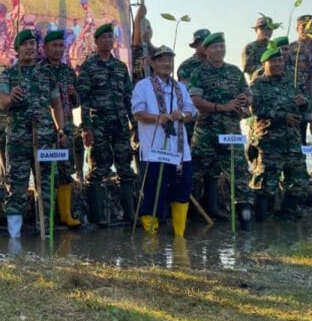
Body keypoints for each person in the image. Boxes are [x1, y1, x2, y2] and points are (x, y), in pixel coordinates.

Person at [0, 29, 66, 239]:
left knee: (46, 188)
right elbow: (0, 100)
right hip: (18, 140)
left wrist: (60, 129)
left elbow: (57, 104)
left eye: (32, 44)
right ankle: (15, 239)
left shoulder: (46, 74)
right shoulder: (9, 74)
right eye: (25, 44)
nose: (29, 48)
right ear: (17, 49)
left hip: (45, 139)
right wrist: (10, 98)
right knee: (16, 188)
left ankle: (46, 235)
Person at [188, 32, 254, 230]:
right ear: (206, 51)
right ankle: (188, 220)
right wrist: (221, 107)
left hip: (231, 132)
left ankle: (245, 224)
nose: (219, 50)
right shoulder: (198, 73)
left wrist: (246, 100)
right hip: (206, 133)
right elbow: (195, 101)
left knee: (240, 177)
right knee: (193, 174)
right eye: (214, 47)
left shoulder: (235, 72)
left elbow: (249, 94)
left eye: (221, 46)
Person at [131, 46, 197, 236]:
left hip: (180, 151)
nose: (166, 64)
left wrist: (181, 114)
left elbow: (192, 111)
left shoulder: (180, 87)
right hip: (155, 150)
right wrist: (159, 117)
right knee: (153, 192)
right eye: (161, 60)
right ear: (153, 63)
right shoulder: (143, 86)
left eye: (169, 60)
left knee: (182, 189)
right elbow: (138, 113)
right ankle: (151, 237)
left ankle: (179, 235)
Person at [77, 23, 135, 225]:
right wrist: (86, 128)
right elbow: (83, 100)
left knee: (125, 168)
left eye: (111, 37)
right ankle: (98, 216)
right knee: (98, 170)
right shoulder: (88, 67)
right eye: (104, 38)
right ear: (97, 41)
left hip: (120, 124)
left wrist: (133, 123)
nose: (108, 41)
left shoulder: (120, 67)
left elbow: (128, 97)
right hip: (98, 124)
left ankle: (130, 213)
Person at [249, 46, 309, 221]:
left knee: (298, 182)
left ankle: (287, 216)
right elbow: (256, 109)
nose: (278, 64)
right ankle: (260, 219)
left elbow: (306, 106)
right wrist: (282, 116)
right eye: (273, 61)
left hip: (293, 140)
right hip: (270, 142)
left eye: (280, 60)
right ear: (264, 63)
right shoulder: (258, 85)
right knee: (266, 183)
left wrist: (304, 103)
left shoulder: (292, 82)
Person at [41, 30, 81, 226]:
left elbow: (76, 103)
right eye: (54, 45)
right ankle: (48, 218)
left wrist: (74, 94)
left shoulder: (68, 71)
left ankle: (66, 215)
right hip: (45, 129)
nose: (58, 49)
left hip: (66, 127)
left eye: (60, 46)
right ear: (45, 48)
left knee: (66, 169)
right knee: (48, 172)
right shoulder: (39, 70)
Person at [288, 15, 312, 144]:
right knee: (299, 135)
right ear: (297, 28)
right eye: (304, 26)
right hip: (299, 96)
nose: (307, 29)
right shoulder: (291, 48)